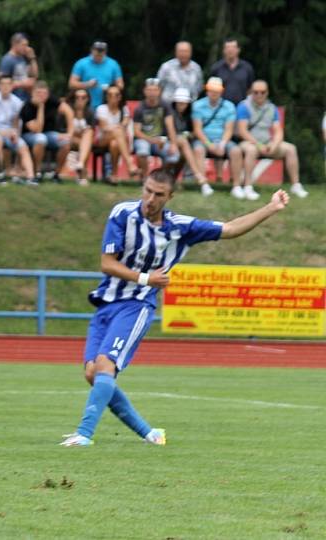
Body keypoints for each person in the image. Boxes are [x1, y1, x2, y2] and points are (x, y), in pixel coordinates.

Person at [60, 169, 290, 447]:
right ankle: (150, 434)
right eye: (147, 190)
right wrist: (148, 277)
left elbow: (229, 229)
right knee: (92, 373)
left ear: (170, 197)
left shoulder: (180, 227)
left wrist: (271, 207)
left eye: (158, 195)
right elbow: (107, 263)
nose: (150, 199)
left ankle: (84, 434)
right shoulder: (122, 213)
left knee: (106, 365)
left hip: (137, 305)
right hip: (106, 302)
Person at [237, 80, 308, 199]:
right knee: (251, 150)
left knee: (291, 149)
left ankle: (296, 185)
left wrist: (275, 145)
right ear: (251, 92)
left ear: (267, 93)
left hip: (268, 142)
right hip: (249, 142)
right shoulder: (244, 106)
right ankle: (247, 187)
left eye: (262, 92)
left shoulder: (271, 108)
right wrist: (258, 145)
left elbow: (278, 130)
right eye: (256, 92)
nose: (259, 95)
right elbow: (242, 131)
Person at [191, 77, 241, 198]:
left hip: (223, 139)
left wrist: (222, 144)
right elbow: (197, 129)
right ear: (207, 90)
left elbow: (229, 129)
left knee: (236, 151)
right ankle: (204, 185)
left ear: (221, 91)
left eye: (217, 90)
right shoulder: (198, 105)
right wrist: (209, 145)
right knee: (198, 149)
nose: (214, 93)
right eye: (211, 90)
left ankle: (236, 186)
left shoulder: (229, 106)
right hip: (204, 139)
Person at [18, 80, 72, 184]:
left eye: (44, 94)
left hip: (48, 134)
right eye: (38, 93)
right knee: (40, 139)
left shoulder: (51, 100)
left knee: (66, 142)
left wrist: (69, 133)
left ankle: (57, 174)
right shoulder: (27, 106)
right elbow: (38, 129)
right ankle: (37, 172)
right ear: (33, 93)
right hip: (29, 136)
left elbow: (68, 111)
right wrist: (41, 107)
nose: (42, 96)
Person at [0, 75, 35, 184]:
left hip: (10, 132)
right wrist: (1, 132)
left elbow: (16, 122)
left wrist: (15, 134)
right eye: (3, 84)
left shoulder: (17, 102)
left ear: (12, 86)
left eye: (8, 84)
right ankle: (0, 174)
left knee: (23, 146)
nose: (6, 87)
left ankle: (31, 177)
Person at [132, 78, 180, 179]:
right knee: (143, 151)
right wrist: (151, 140)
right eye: (149, 90)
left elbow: (170, 126)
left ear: (159, 91)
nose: (152, 93)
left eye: (154, 90)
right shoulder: (140, 108)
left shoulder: (165, 106)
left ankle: (159, 177)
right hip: (144, 139)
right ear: (144, 91)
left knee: (174, 156)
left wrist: (173, 144)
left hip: (161, 140)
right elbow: (136, 132)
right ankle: (145, 178)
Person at [168, 88, 211, 188]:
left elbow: (194, 131)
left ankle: (172, 179)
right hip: (170, 141)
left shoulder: (190, 114)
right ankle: (197, 174)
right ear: (175, 102)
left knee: (183, 152)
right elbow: (169, 131)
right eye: (179, 103)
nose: (181, 105)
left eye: (184, 103)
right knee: (183, 142)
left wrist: (189, 135)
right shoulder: (169, 113)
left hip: (185, 144)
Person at [94, 85, 138, 183]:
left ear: (120, 97)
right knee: (117, 132)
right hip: (103, 139)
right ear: (106, 97)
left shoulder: (124, 109)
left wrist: (116, 128)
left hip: (118, 140)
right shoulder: (101, 108)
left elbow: (124, 125)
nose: (113, 97)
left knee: (114, 144)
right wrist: (117, 127)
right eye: (110, 95)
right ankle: (130, 164)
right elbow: (104, 128)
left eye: (116, 95)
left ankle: (114, 175)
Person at [69, 41, 124, 109]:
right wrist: (87, 84)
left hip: (106, 105)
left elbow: (121, 85)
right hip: (87, 105)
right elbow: (71, 84)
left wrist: (109, 87)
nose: (99, 53)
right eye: (97, 50)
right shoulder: (81, 63)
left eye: (101, 51)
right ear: (92, 50)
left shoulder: (113, 64)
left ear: (105, 52)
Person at [210, 38, 255, 105]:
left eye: (233, 47)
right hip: (221, 109)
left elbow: (250, 89)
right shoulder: (216, 68)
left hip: (241, 108)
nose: (230, 50)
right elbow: (211, 89)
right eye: (227, 47)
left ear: (238, 49)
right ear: (223, 50)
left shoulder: (247, 67)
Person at [0, 32, 39, 100]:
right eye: (24, 45)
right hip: (14, 98)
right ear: (14, 44)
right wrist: (23, 83)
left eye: (27, 45)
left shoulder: (22, 58)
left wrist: (32, 58)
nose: (26, 48)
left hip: (26, 97)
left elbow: (35, 75)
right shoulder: (7, 60)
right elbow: (2, 82)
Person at [67, 88, 95, 185]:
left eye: (83, 97)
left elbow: (91, 131)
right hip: (69, 139)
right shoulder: (68, 111)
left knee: (88, 134)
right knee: (86, 143)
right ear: (73, 98)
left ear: (88, 99)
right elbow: (63, 130)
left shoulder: (90, 113)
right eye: (77, 97)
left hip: (83, 141)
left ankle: (80, 164)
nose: (80, 100)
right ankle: (82, 174)